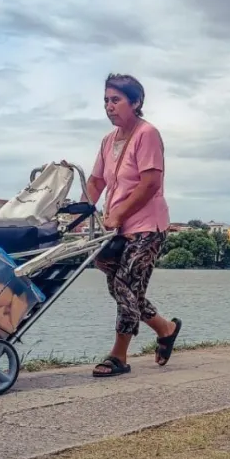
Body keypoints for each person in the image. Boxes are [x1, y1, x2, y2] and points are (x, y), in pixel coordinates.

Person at [84, 73, 182, 377]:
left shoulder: (147, 134)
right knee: (122, 289)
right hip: (116, 228)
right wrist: (80, 212)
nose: (109, 106)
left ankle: (119, 356)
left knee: (126, 286)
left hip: (147, 225)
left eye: (116, 100)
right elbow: (96, 181)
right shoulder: (108, 141)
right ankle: (165, 329)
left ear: (136, 102)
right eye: (106, 100)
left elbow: (150, 183)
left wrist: (118, 214)